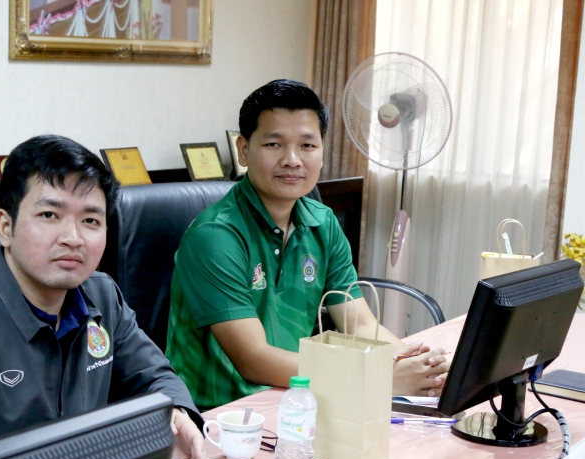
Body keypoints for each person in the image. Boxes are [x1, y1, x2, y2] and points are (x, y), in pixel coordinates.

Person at [0, 135, 205, 459]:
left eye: (90, 221)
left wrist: (176, 411)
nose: (73, 238)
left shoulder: (102, 296)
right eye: (50, 214)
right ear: (5, 227)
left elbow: (155, 376)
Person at [166, 79, 449, 411]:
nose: (292, 160)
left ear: (322, 151)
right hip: (220, 415)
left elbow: (358, 322)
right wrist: (376, 378)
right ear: (243, 149)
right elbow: (253, 359)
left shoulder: (323, 223)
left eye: (307, 145)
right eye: (274, 144)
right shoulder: (216, 236)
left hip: (297, 397)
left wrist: (417, 366)